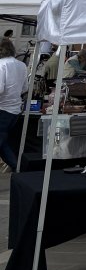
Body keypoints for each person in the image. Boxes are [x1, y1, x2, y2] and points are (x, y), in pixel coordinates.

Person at [0, 39, 27, 172]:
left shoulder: (1, 65)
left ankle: (18, 168)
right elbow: (25, 88)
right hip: (15, 109)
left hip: (3, 108)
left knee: (2, 142)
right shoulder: (21, 65)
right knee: (3, 142)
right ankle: (18, 168)